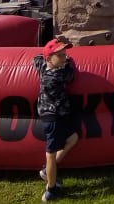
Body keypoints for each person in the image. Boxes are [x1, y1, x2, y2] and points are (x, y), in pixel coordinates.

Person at [32, 37, 79, 202]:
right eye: (60, 55)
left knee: (73, 138)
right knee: (50, 153)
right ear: (49, 59)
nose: (65, 57)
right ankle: (51, 189)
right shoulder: (56, 76)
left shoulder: (42, 66)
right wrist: (69, 62)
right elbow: (71, 75)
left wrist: (49, 55)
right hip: (53, 117)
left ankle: (47, 171)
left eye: (65, 54)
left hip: (54, 115)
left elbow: (36, 58)